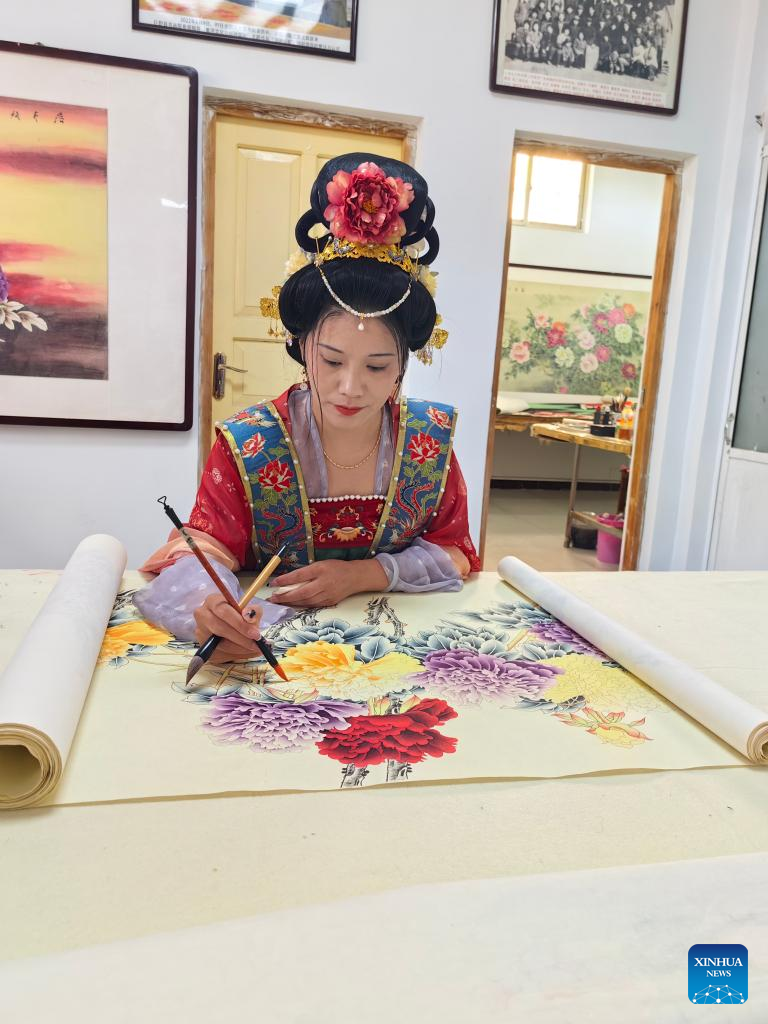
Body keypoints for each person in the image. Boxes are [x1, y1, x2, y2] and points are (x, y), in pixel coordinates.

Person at [136, 153, 481, 664]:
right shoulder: (252, 443)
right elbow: (204, 546)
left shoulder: (427, 440)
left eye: (377, 367)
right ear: (301, 346)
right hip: (269, 645)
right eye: (332, 360)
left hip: (392, 647)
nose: (350, 387)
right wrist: (210, 607)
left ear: (405, 365)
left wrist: (362, 575)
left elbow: (456, 552)